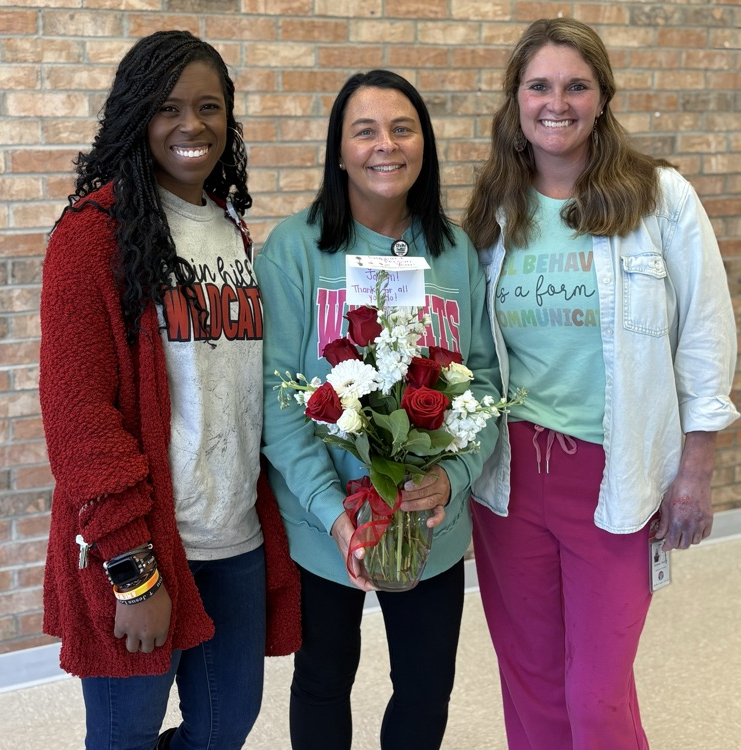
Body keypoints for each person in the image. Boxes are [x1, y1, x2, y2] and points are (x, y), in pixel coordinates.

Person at [465, 17, 739, 750]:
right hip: (510, 476)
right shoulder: (494, 210)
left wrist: (696, 467)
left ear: (602, 98)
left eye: (576, 85)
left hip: (613, 476)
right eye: (540, 86)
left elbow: (707, 334)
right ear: (516, 101)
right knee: (530, 681)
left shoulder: (661, 199)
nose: (558, 102)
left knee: (595, 696)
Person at [39, 30, 299, 750]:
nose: (192, 125)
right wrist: (132, 572)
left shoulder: (230, 230)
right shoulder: (93, 235)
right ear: (135, 115)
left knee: (226, 727)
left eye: (210, 107)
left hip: (235, 539)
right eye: (168, 107)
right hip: (149, 548)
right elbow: (78, 416)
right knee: (123, 738)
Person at [255, 70, 500, 750]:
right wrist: (334, 513)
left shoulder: (455, 253)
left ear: (425, 143)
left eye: (402, 128)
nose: (384, 145)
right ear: (338, 151)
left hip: (429, 522)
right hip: (323, 523)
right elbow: (277, 402)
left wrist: (454, 476)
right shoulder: (294, 251)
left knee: (426, 688)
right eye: (364, 131)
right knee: (324, 680)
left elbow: (480, 379)